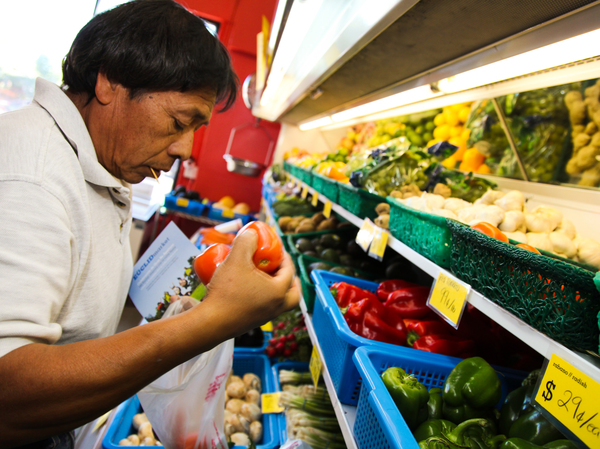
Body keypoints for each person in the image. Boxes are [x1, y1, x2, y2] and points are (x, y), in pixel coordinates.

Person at [0, 1, 299, 447]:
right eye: (180, 121)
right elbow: (8, 395)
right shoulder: (33, 177)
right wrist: (213, 321)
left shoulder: (101, 162)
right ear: (109, 82)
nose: (185, 149)